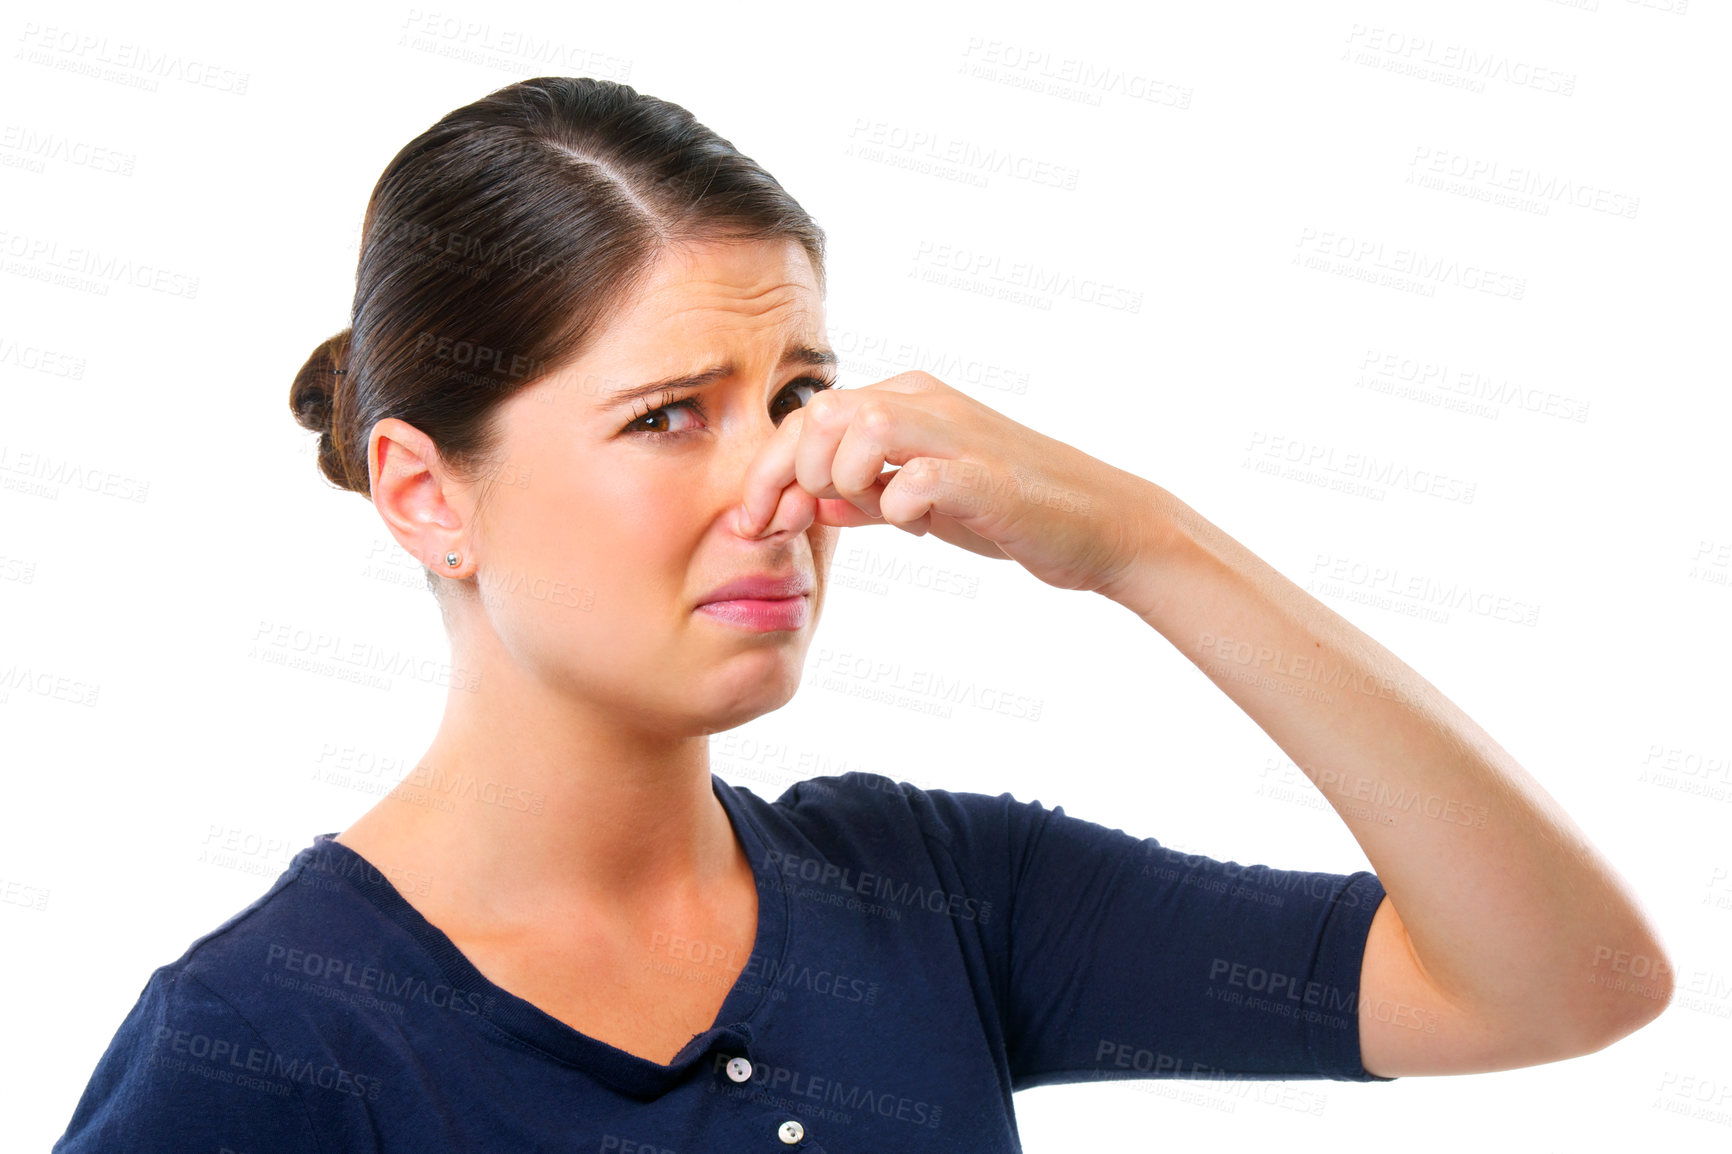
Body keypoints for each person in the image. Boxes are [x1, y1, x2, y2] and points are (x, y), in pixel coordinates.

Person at [54, 76, 1674, 1153]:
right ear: (426, 492)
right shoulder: (259, 1049)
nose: (783, 481)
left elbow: (1566, 980)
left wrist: (1134, 539)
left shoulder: (932, 895)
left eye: (799, 392)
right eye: (670, 412)